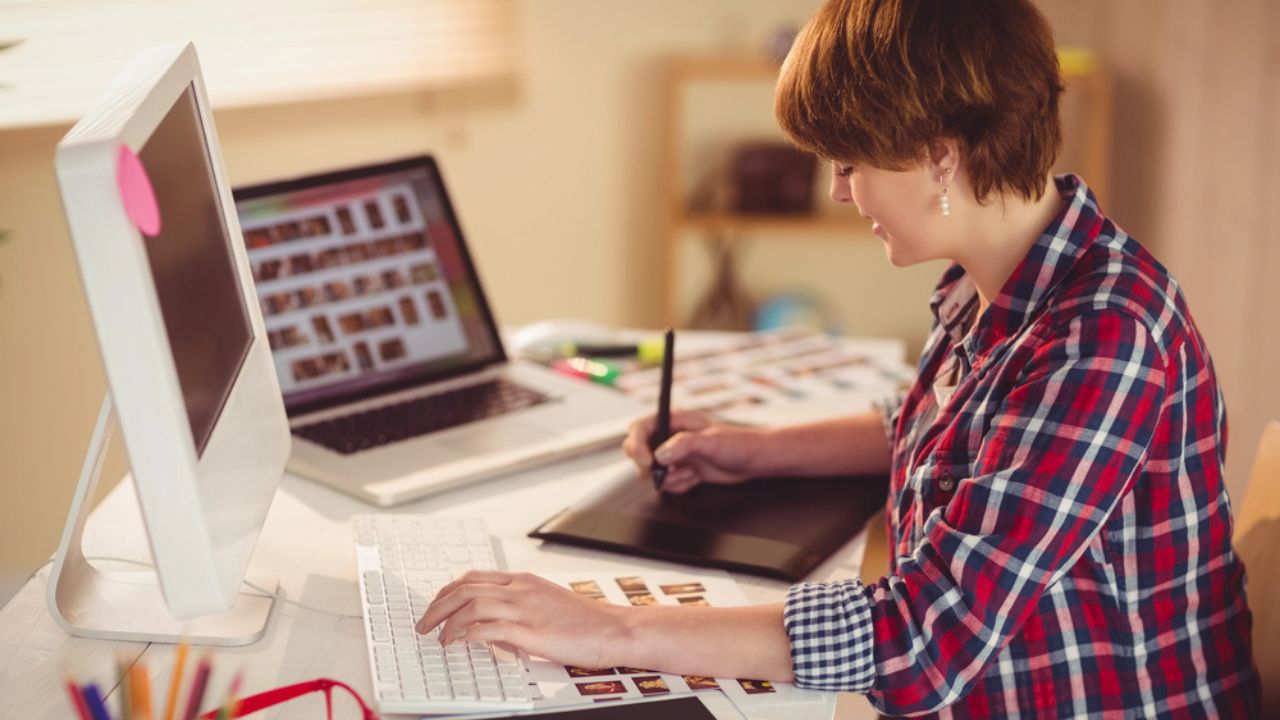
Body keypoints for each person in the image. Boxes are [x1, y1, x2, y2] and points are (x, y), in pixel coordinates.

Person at [417, 0, 1261, 715]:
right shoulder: (1002, 279)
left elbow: (924, 637)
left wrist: (609, 629)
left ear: (940, 152)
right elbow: (939, 425)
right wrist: (755, 449)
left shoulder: (1104, 335)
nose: (837, 190)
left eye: (850, 161)